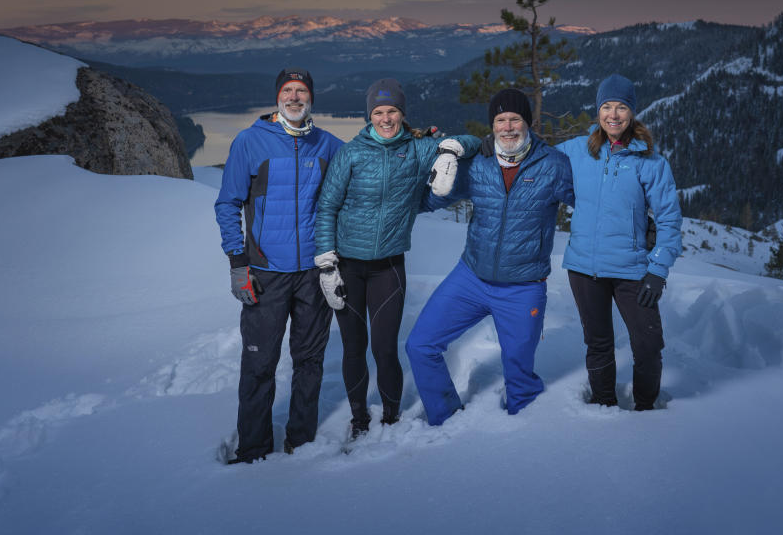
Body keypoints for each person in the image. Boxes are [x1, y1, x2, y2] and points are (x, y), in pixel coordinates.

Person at [314, 78, 480, 438]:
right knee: (354, 347)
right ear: (369, 115)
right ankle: (359, 419)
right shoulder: (351, 153)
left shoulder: (418, 149)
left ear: (402, 114)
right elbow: (326, 206)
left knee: (385, 347)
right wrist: (326, 264)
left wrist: (450, 149)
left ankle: (390, 417)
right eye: (378, 112)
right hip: (347, 265)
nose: (385, 119)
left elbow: (475, 142)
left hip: (388, 266)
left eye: (391, 111)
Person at [405, 88, 574, 426]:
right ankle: (445, 418)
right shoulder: (478, 162)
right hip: (470, 278)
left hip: (523, 286)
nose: (508, 127)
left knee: (519, 375)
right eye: (500, 120)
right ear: (492, 125)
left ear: (527, 122)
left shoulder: (553, 165)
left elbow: (591, 204)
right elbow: (430, 199)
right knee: (420, 345)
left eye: (515, 119)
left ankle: (521, 437)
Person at [215, 68, 344, 464]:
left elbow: (370, 168)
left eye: (301, 90)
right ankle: (252, 447)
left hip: (313, 275)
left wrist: (418, 142)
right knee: (259, 362)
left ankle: (300, 441)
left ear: (311, 98)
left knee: (309, 361)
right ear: (277, 98)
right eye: (287, 91)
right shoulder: (250, 142)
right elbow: (227, 204)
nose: (294, 97)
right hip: (265, 272)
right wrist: (239, 264)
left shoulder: (328, 145)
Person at [556, 74, 682, 411]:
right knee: (598, 344)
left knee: (648, 345)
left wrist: (658, 269)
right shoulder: (576, 151)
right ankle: (603, 405)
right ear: (598, 111)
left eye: (622, 107)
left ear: (633, 112)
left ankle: (645, 406)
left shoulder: (651, 162)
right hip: (584, 268)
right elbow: (529, 155)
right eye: (607, 106)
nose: (613, 114)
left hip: (633, 270)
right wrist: (481, 147)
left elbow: (670, 220)